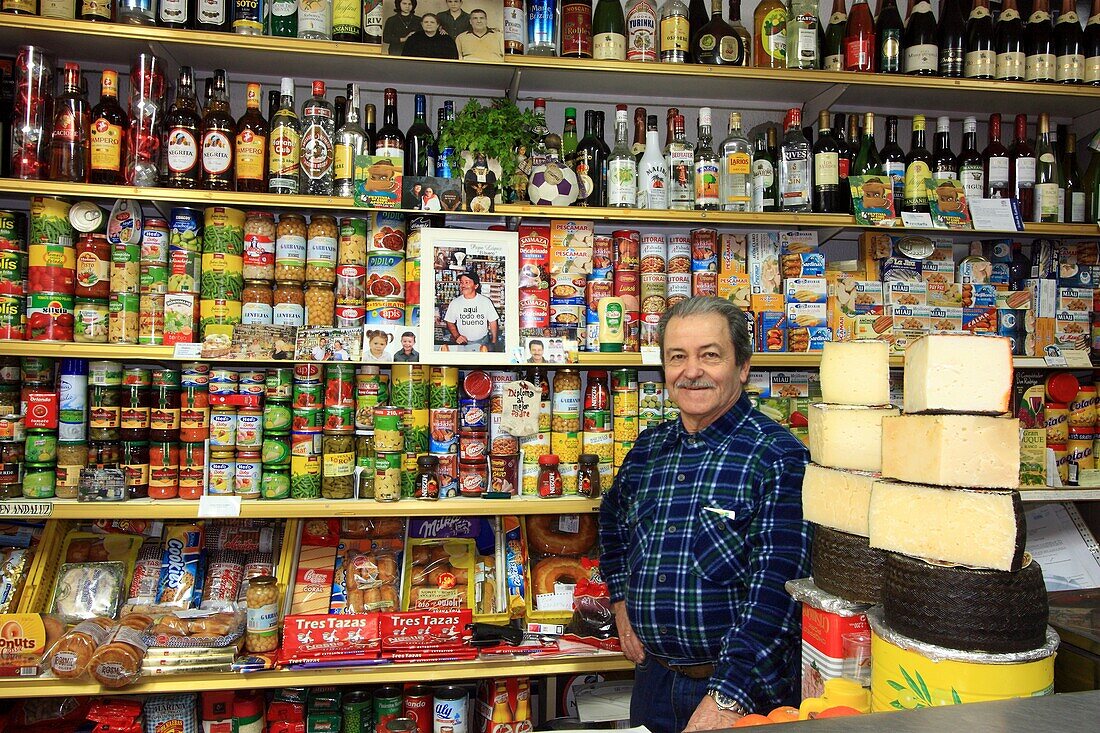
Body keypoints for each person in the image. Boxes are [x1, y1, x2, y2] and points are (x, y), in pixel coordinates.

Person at [599, 296, 811, 733]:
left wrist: (729, 696)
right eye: (677, 357)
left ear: (743, 367)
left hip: (740, 694)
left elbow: (778, 595)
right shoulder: (649, 449)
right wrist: (621, 600)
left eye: (709, 355)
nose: (691, 371)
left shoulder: (778, 456)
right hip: (653, 680)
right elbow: (612, 523)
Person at [443, 269, 500, 351]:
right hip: (463, 344)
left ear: (476, 286)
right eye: (461, 282)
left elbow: (493, 321)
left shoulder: (485, 301)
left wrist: (494, 341)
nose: (463, 285)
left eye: (467, 282)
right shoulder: (455, 303)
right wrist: (457, 336)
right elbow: (449, 321)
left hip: (483, 342)